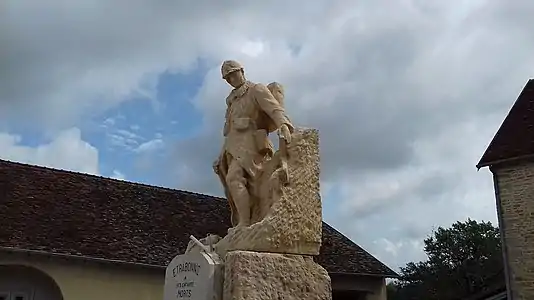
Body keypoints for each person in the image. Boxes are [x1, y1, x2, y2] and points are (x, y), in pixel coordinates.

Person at [213, 60, 294, 228]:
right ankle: (245, 221)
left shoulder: (256, 90)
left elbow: (274, 109)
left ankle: (245, 223)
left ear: (241, 71)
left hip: (250, 142)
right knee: (234, 181)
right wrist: (221, 155)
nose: (231, 79)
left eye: (233, 74)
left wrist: (284, 125)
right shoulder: (231, 101)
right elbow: (229, 132)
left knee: (234, 177)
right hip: (233, 145)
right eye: (227, 78)